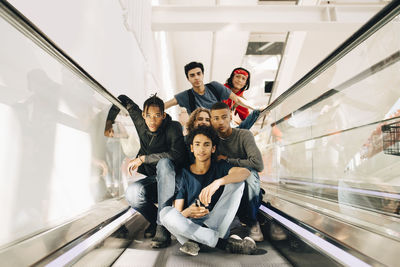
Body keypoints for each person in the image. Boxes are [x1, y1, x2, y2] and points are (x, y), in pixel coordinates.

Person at [160, 126, 257, 256]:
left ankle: (199, 241)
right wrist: (188, 211)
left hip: (217, 224)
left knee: (237, 181)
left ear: (213, 149)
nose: (201, 149)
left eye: (206, 145)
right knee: (165, 213)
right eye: (197, 144)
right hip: (191, 228)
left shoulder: (220, 167)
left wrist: (217, 183)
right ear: (192, 148)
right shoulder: (184, 173)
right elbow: (178, 213)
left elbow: (245, 172)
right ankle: (222, 244)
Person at [105, 94, 187, 248]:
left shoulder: (174, 127)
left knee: (164, 163)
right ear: (143, 115)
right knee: (132, 193)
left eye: (157, 116)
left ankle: (162, 227)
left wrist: (143, 159)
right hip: (155, 180)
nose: (152, 120)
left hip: (176, 182)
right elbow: (123, 98)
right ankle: (157, 222)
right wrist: (109, 122)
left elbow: (176, 155)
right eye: (148, 115)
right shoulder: (141, 122)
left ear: (163, 115)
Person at [210, 102, 265, 241]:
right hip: (226, 185)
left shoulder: (244, 135)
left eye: (224, 117)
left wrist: (228, 160)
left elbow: (258, 164)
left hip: (247, 184)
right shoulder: (211, 141)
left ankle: (253, 222)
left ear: (231, 117)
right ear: (211, 120)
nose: (220, 122)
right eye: (216, 118)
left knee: (250, 173)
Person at [164, 62, 258, 115]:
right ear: (188, 79)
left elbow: (237, 99)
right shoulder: (186, 95)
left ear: (203, 74)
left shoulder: (215, 87)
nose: (196, 77)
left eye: (198, 74)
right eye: (192, 75)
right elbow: (165, 105)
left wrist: (256, 108)